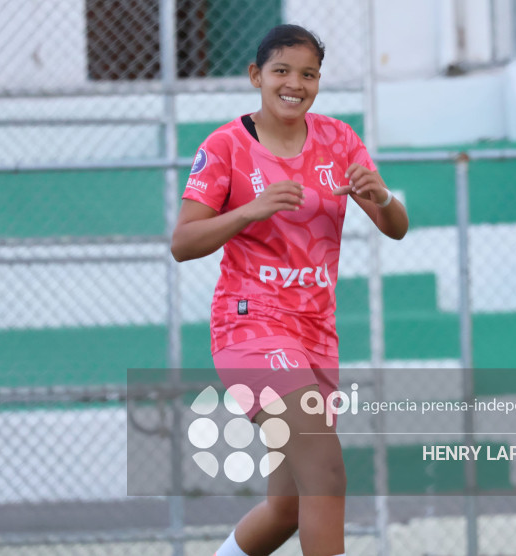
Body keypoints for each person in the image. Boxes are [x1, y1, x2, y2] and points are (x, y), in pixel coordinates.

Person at [171, 24, 408, 556]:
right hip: (251, 328)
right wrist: (249, 210)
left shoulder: (340, 140)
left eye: (308, 74)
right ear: (257, 76)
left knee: (287, 509)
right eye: (281, 71)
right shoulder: (225, 146)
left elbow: (395, 226)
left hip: (316, 335)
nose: (294, 83)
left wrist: (385, 197)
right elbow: (183, 242)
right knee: (326, 471)